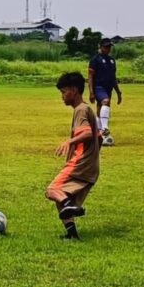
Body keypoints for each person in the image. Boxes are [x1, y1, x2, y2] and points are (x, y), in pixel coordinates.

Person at [45, 72, 101, 240]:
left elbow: (87, 134)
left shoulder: (81, 110)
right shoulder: (87, 109)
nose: (62, 96)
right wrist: (93, 156)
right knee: (60, 200)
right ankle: (71, 234)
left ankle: (70, 205)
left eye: (64, 92)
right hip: (91, 167)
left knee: (52, 190)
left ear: (75, 90)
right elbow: (98, 137)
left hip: (80, 163)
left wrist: (69, 142)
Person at [88, 38, 123, 146]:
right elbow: (90, 76)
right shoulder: (95, 59)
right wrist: (91, 91)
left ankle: (99, 134)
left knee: (100, 108)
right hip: (98, 87)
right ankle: (104, 128)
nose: (108, 49)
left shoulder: (112, 60)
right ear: (101, 47)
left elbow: (113, 78)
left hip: (109, 88)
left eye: (109, 47)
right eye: (106, 47)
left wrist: (118, 92)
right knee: (105, 101)